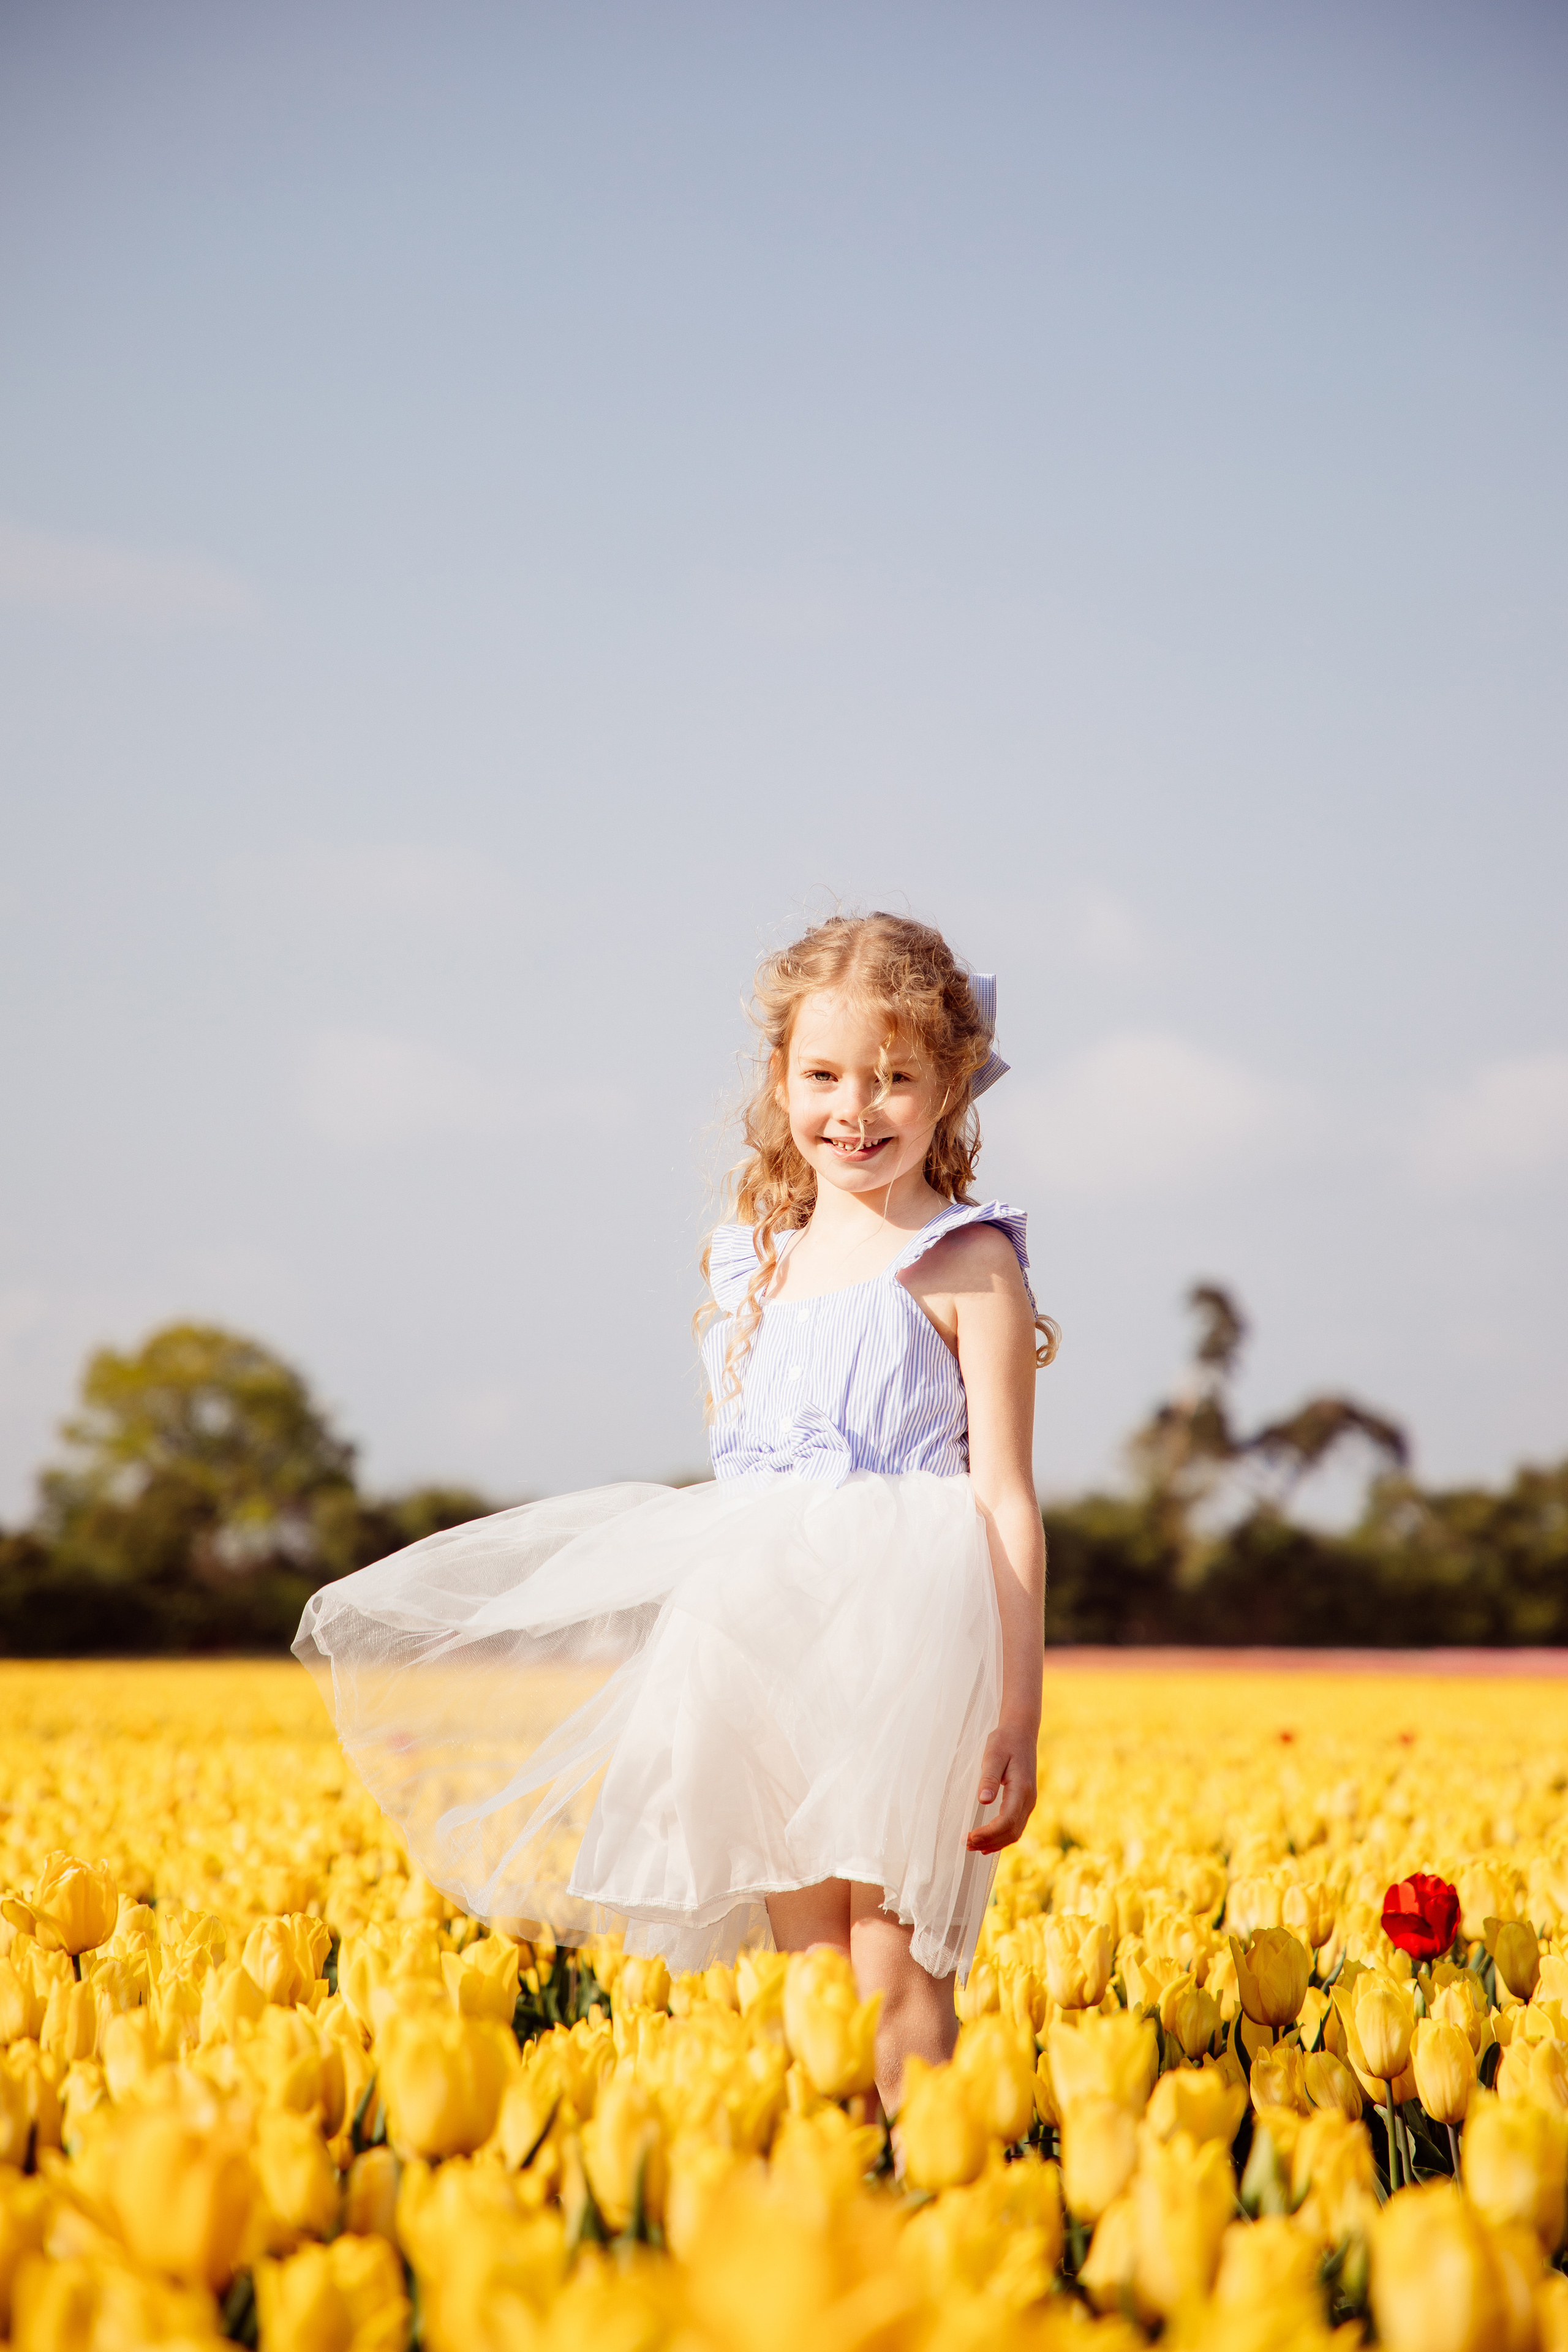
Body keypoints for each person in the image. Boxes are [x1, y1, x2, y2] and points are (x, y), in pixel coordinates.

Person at [295, 911, 1056, 2111]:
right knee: (807, 1967)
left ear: (950, 1085)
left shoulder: (969, 1264)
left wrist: (1016, 1713)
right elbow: (755, 1470)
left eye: (894, 1079)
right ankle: (834, 2192)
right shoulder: (748, 1259)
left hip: (903, 1636)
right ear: (778, 1078)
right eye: (822, 1076)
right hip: (759, 1626)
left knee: (894, 1957)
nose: (853, 1111)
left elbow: (1005, 1500)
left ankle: (925, 2199)